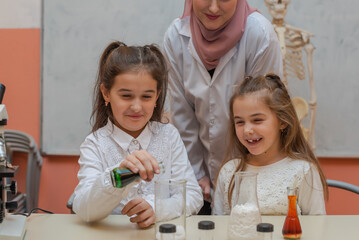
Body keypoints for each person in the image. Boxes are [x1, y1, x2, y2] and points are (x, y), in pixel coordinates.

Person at [162, 0, 283, 213]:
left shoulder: (259, 34)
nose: (214, 8)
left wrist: (243, 180)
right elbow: (183, 117)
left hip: (255, 178)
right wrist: (196, 175)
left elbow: (265, 116)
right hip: (201, 184)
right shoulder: (176, 37)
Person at [72, 41, 203, 228]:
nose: (136, 107)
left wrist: (157, 208)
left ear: (157, 96)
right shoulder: (95, 144)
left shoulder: (168, 136)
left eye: (147, 97)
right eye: (126, 96)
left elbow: (192, 195)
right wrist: (117, 176)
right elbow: (84, 209)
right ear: (106, 93)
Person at [212, 73, 328, 215]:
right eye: (240, 122)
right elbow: (218, 227)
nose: (247, 130)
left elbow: (316, 228)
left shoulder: (303, 171)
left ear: (282, 121)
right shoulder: (229, 171)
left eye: (257, 120)